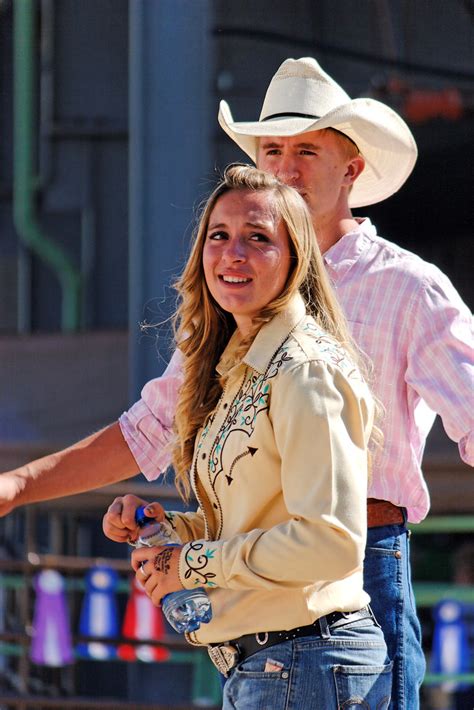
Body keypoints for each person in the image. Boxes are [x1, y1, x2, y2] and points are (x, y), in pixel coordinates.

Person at [1, 56, 472, 708]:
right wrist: (20, 486)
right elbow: (152, 427)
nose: (285, 166)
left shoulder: (406, 290)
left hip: (350, 573)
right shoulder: (239, 314)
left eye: (308, 148)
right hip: (263, 593)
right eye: (273, 148)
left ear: (352, 170)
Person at [104, 163, 392, 709]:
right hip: (280, 666)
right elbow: (255, 521)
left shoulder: (304, 369)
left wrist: (188, 563)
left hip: (305, 663)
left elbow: (328, 541)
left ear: (295, 259)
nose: (233, 253)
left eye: (258, 238)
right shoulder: (241, 367)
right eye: (220, 236)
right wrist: (168, 527)